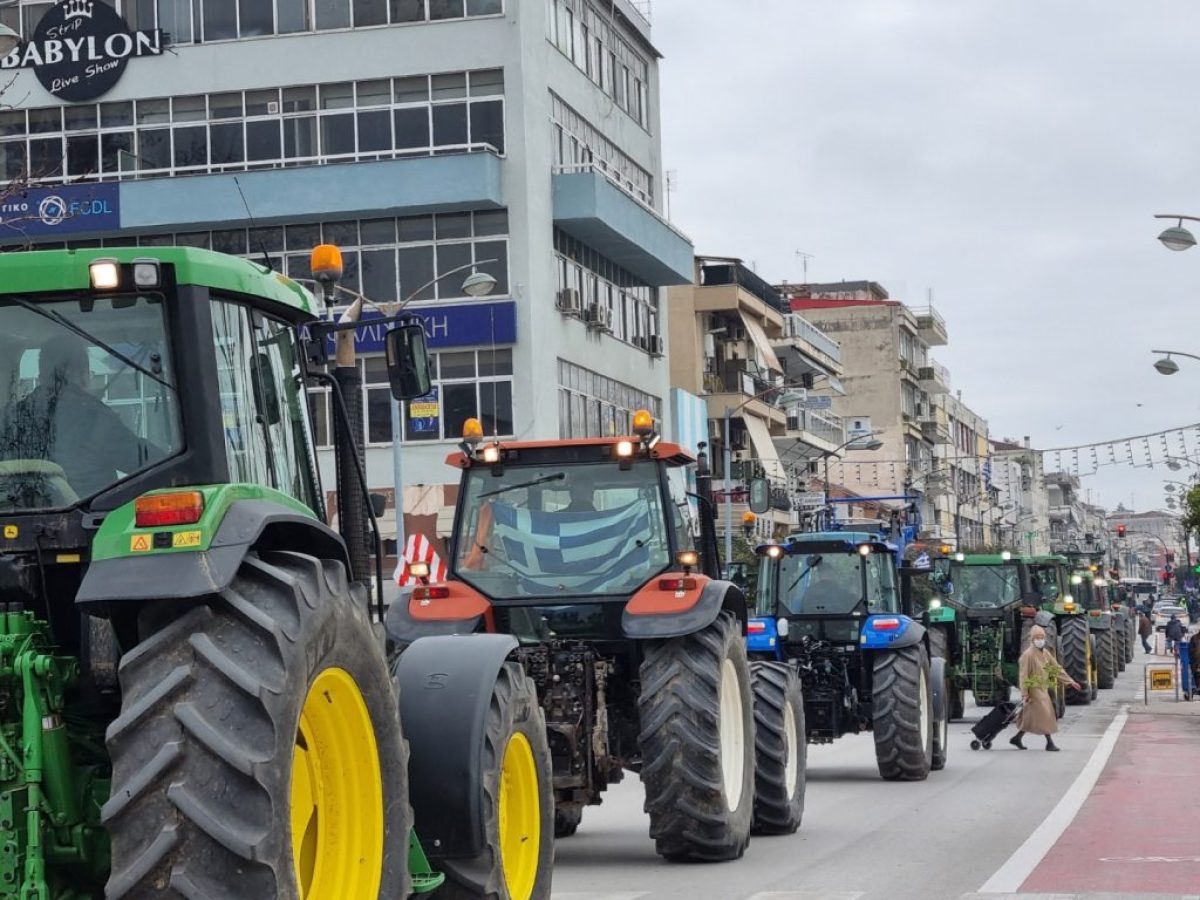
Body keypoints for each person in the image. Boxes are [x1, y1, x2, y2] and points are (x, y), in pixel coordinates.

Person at [0, 336, 150, 499]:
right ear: (84, 374)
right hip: (91, 517)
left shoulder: (9, 419)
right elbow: (148, 463)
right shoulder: (99, 419)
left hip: (19, 516)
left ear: (42, 374)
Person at [1011, 624, 1080, 752]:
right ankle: (1049, 742)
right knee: (1045, 713)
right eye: (1037, 637)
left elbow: (1055, 669)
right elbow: (1023, 675)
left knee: (1030, 716)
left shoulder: (1045, 653)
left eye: (1042, 637)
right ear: (1032, 639)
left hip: (1042, 688)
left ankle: (1017, 738)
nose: (1040, 640)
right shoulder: (1027, 655)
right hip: (1033, 689)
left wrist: (1069, 682)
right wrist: (1025, 693)